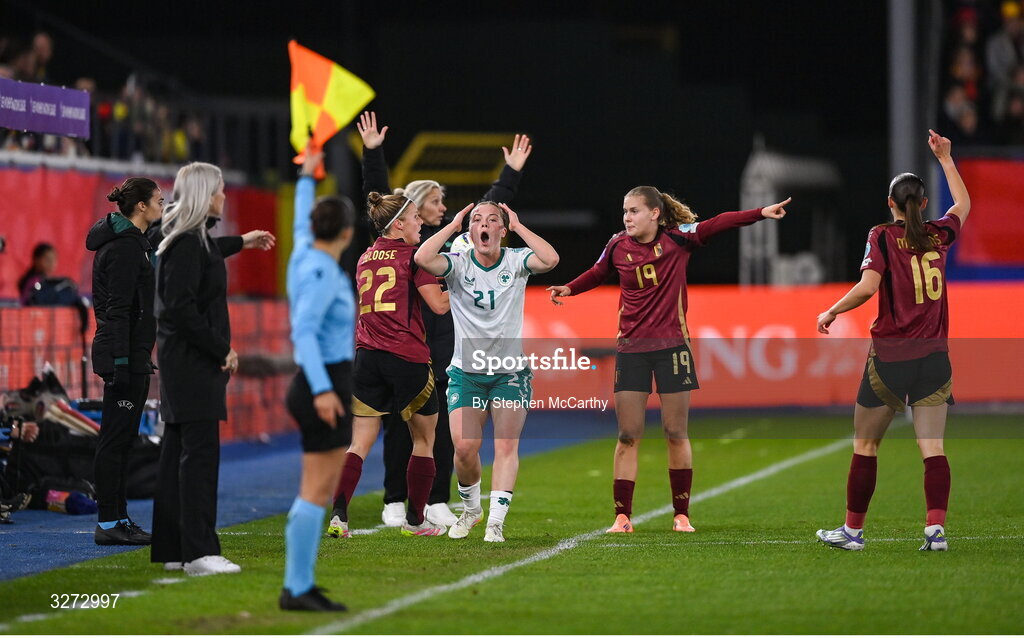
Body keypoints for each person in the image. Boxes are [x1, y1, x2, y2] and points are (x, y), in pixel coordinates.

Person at [548, 187, 790, 534]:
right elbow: (598, 272)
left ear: (654, 214)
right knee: (628, 434)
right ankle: (622, 516)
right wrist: (569, 288)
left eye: (633, 211)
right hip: (631, 350)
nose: (626, 218)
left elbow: (718, 222)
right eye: (624, 211)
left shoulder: (679, 239)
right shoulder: (617, 245)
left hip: (672, 349)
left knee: (675, 432)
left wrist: (759, 212)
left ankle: (681, 514)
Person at [356, 110, 534, 528]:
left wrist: (511, 173)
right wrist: (372, 153)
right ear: (414, 208)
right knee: (404, 425)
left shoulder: (454, 246)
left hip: (446, 344)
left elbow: (488, 211)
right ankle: (395, 497)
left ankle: (436, 498)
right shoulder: (404, 242)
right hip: (406, 341)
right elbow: (377, 195)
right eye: (435, 201)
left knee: (440, 426)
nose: (444, 207)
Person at [815, 130, 970, 552]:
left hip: (890, 357)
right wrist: (945, 159)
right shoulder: (938, 234)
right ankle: (935, 531)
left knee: (865, 445)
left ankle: (852, 532)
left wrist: (831, 310)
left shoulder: (882, 235)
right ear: (922, 204)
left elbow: (867, 288)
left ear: (890, 204)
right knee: (933, 448)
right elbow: (963, 206)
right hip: (935, 357)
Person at [150, 162, 275, 576]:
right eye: (220, 189)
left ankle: (173, 549)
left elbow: (207, 256)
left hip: (180, 363)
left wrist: (242, 241)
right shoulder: (187, 242)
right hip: (193, 364)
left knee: (175, 456)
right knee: (199, 457)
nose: (224, 195)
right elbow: (180, 309)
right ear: (206, 194)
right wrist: (222, 349)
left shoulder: (188, 239)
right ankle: (200, 553)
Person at [415, 201, 559, 542]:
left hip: (509, 373)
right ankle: (472, 509)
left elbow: (551, 259)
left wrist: (520, 225)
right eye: (477, 219)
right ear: (471, 231)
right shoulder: (457, 263)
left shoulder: (516, 260)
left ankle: (495, 521)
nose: (484, 224)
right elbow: (422, 259)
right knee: (464, 448)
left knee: (506, 446)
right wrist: (453, 227)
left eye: (492, 220)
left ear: (501, 231)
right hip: (467, 374)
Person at [329, 190, 450, 538]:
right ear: (398, 224)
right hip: (407, 357)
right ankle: (415, 522)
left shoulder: (365, 257)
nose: (420, 223)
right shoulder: (413, 257)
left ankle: (339, 516)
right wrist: (463, 283)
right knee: (424, 442)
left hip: (366, 358)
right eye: (415, 218)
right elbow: (439, 306)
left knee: (359, 443)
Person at [280, 147, 354, 612]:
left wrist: (307, 177)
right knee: (315, 490)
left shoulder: (303, 253)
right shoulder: (324, 271)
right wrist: (324, 389)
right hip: (322, 382)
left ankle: (301, 583)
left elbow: (298, 225)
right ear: (347, 233)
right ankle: (297, 587)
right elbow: (303, 330)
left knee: (317, 489)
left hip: (317, 380)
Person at [87, 177, 163, 545]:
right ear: (142, 207)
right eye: (159, 200)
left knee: (122, 440)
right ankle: (107, 522)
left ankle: (119, 518)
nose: (164, 204)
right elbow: (116, 310)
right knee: (114, 441)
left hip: (132, 354)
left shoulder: (135, 243)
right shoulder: (125, 249)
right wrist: (120, 360)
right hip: (124, 356)